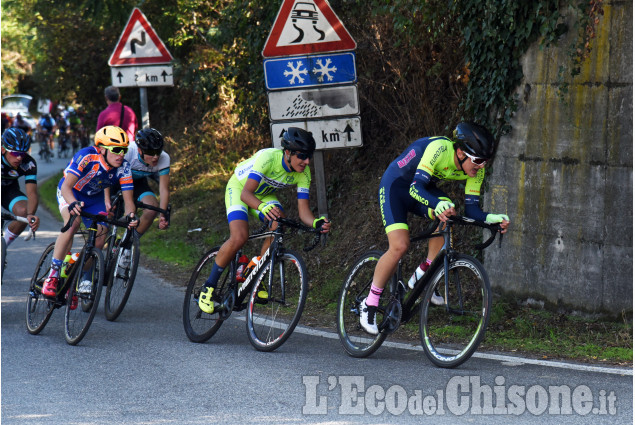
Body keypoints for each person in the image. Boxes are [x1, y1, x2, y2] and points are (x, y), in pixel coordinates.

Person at [359, 122, 510, 335]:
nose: (481, 166)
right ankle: (370, 303)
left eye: (485, 162)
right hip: (396, 186)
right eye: (477, 160)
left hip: (421, 190)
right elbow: (415, 187)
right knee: (400, 246)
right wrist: (435, 203)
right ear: (460, 153)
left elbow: (472, 210)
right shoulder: (439, 148)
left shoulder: (476, 171)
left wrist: (491, 219)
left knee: (448, 211)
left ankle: (424, 272)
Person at [197, 127, 332, 313]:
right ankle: (208, 287)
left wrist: (316, 222)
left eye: (309, 156)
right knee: (239, 236)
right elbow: (246, 194)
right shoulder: (268, 158)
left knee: (279, 221)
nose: (306, 161)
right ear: (287, 153)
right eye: (302, 156)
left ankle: (255, 272)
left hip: (264, 194)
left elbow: (304, 212)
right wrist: (261, 207)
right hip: (240, 189)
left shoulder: (304, 173)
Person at [40, 125, 138, 303]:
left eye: (123, 150)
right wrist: (73, 203)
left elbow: (129, 201)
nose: (120, 155)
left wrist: (131, 216)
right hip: (71, 193)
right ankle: (53, 276)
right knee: (73, 222)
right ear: (101, 149)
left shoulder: (124, 167)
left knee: (101, 234)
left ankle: (80, 276)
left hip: (94, 199)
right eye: (115, 150)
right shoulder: (86, 156)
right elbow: (66, 186)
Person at [121, 127, 170, 239]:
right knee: (108, 214)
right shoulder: (128, 152)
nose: (156, 157)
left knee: (152, 208)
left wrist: (163, 215)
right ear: (139, 150)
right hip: (117, 183)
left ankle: (130, 241)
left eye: (158, 152)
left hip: (138, 183)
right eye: (151, 153)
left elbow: (164, 189)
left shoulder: (164, 158)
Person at [1, 128, 40, 246]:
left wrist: (30, 215)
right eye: (15, 153)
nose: (19, 158)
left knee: (24, 211)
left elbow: (32, 193)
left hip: (9, 189)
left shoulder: (28, 163)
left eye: (23, 154)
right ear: (3, 149)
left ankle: (2, 247)